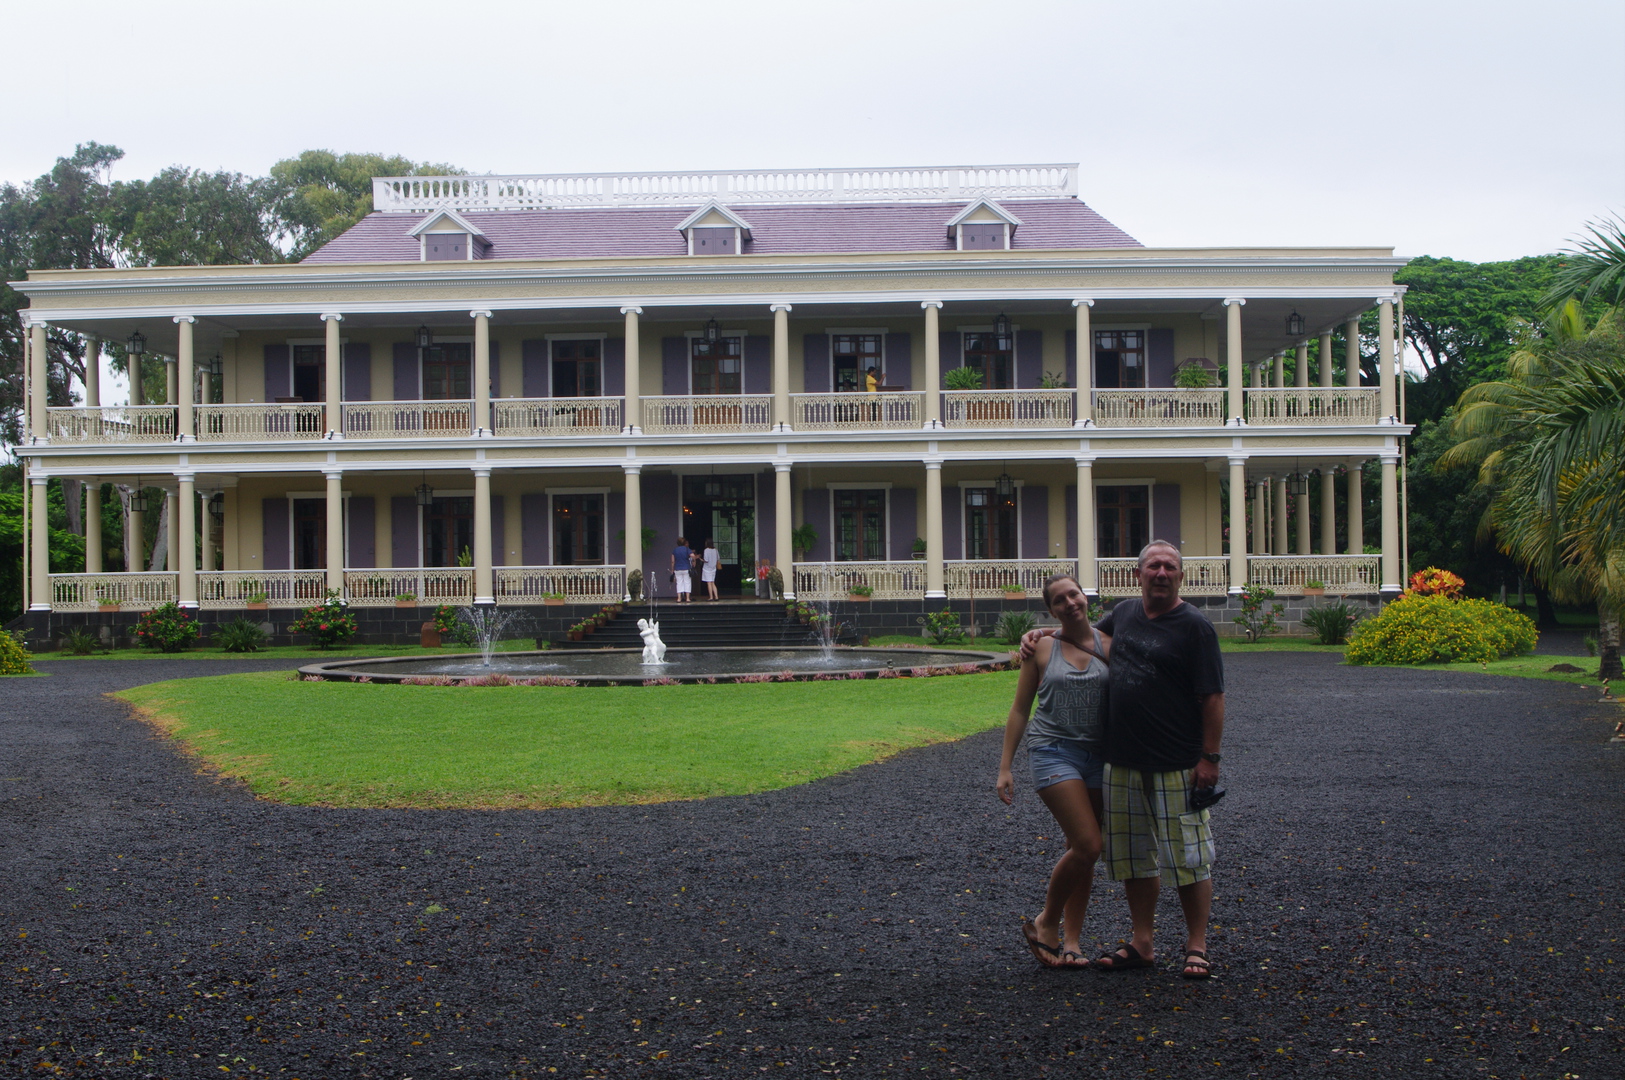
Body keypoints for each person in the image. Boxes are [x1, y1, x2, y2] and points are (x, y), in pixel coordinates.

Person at [1021, 540, 1225, 979]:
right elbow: (1080, 632)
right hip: (1122, 761)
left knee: (1188, 857)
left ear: (1181, 575)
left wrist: (1209, 758)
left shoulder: (1196, 627)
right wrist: (1038, 635)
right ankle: (1142, 942)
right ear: (1138, 574)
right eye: (1153, 566)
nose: (1161, 573)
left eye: (1169, 567)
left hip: (1176, 760)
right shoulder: (1125, 613)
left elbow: (1212, 696)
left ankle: (1196, 945)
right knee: (1136, 857)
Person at [996, 573, 1110, 970]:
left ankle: (1072, 940)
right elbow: (1020, 709)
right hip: (1053, 752)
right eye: (1059, 600)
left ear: (1085, 596)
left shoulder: (1109, 644)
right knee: (1089, 844)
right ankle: (1046, 921)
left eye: (1073, 594)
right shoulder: (1041, 648)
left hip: (1098, 755)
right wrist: (1005, 767)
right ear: (1051, 610)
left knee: (1079, 850)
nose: (1069, 603)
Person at [671, 536, 695, 603]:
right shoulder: (687, 549)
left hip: (677, 568)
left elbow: (672, 561)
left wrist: (672, 569)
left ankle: (679, 598)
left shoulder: (675, 550)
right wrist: (693, 561)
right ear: (684, 543)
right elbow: (693, 556)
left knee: (679, 583)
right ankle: (687, 598)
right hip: (686, 568)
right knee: (687, 582)